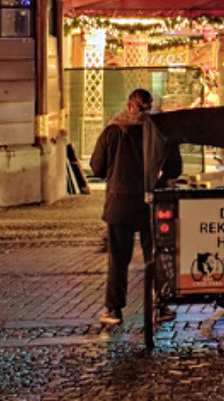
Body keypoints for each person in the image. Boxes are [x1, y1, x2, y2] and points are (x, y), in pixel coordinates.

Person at [89, 89, 182, 327]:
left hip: (120, 203)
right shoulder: (159, 132)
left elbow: (97, 167)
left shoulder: (112, 131)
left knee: (118, 259)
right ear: (150, 107)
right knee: (157, 255)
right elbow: (174, 169)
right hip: (151, 202)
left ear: (129, 106)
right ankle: (161, 303)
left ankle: (114, 310)